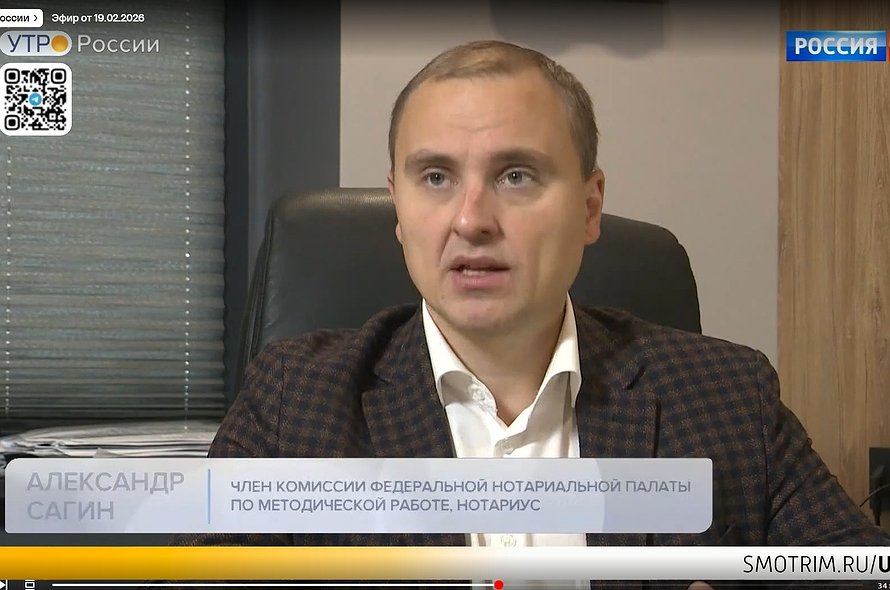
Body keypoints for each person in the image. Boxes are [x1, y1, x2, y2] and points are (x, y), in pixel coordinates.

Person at [173, 39, 889, 586]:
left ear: (589, 206)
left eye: (516, 176)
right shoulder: (295, 403)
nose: (471, 220)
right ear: (398, 208)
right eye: (435, 177)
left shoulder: (727, 397)